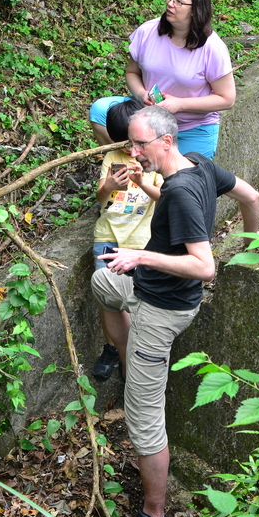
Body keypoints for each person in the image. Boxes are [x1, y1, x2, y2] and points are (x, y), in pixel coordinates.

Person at [90, 106, 259, 517]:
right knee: (103, 284)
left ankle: (153, 515)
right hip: (145, 288)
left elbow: (205, 267)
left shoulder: (184, 190)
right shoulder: (198, 166)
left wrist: (140, 255)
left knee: (143, 416)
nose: (134, 151)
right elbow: (252, 197)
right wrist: (254, 248)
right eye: (131, 143)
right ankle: (132, 363)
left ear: (166, 141)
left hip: (162, 310)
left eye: (140, 144)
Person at [89, 0, 235, 159]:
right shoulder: (148, 31)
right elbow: (132, 72)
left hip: (191, 127)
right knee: (100, 111)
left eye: (179, 1)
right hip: (148, 118)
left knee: (183, 183)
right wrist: (141, 94)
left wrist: (180, 105)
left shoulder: (212, 48)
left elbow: (227, 99)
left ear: (195, 10)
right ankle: (128, 166)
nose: (170, 4)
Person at [92, 99, 163, 379]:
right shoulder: (112, 158)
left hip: (141, 240)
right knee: (106, 295)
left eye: (133, 143)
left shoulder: (152, 162)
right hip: (108, 236)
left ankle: (135, 354)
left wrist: (144, 182)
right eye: (121, 142)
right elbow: (100, 196)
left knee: (136, 296)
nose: (128, 150)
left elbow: (164, 197)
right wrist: (109, 186)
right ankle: (116, 352)